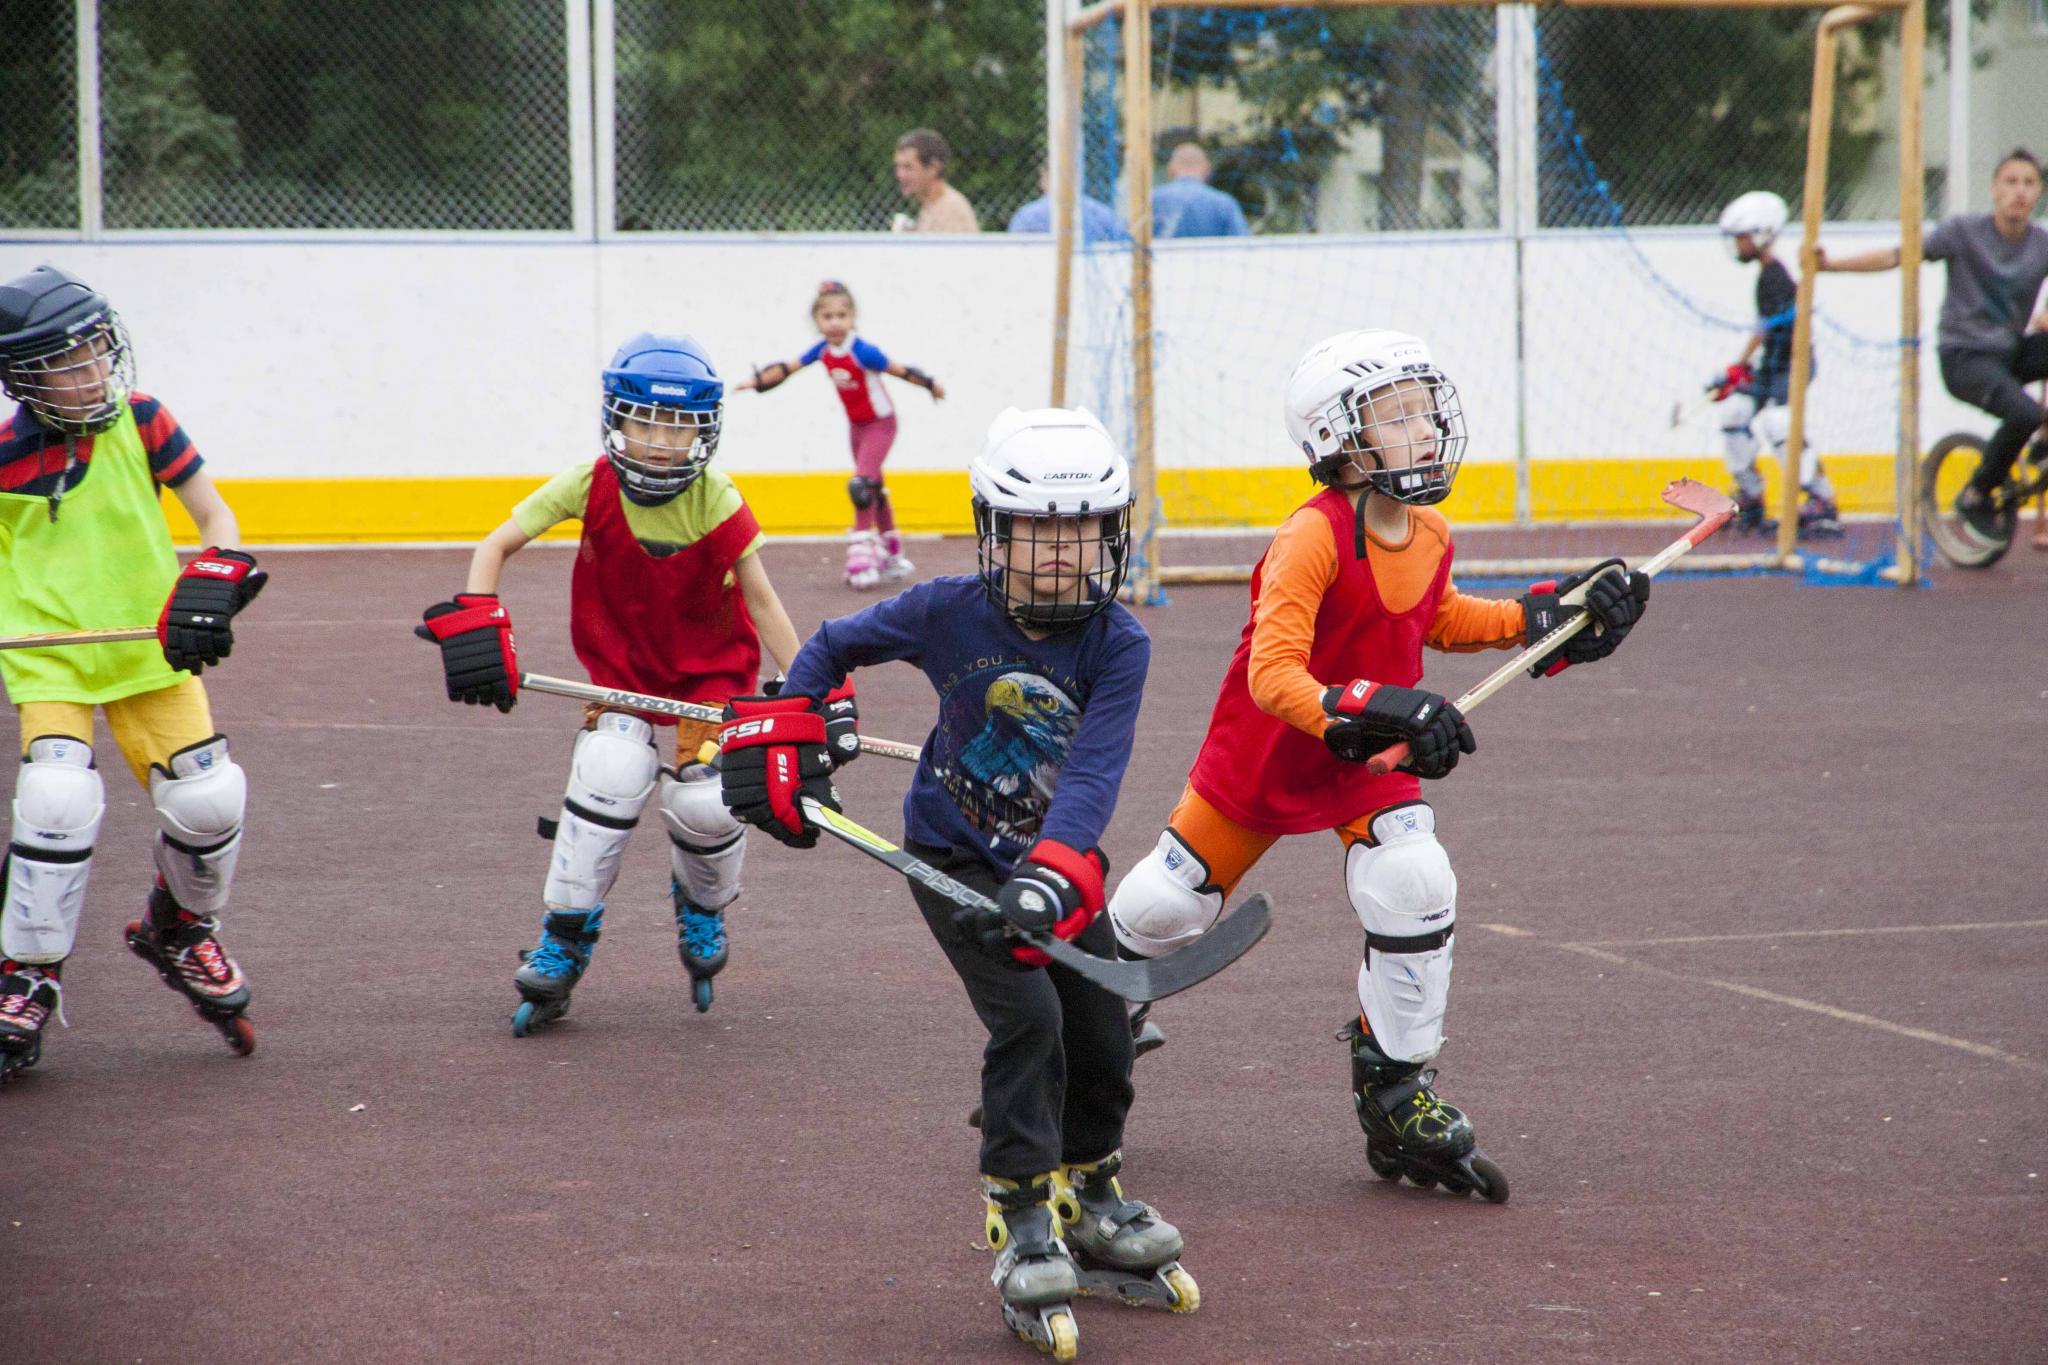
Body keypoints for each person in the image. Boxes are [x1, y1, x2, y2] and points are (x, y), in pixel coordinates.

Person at [1103, 330, 1650, 1204]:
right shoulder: (1309, 538)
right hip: (1274, 752)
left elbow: (1435, 619)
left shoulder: (1430, 529)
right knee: (1157, 909)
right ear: (1338, 441)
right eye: (1396, 417)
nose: (1425, 429)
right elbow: (1273, 673)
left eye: (1424, 410)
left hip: (1373, 756)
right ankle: (1083, 1039)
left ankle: (1396, 1092)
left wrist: (1548, 617)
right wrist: (1379, 704)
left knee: (1416, 879)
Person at [719, 408, 1196, 1360]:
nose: (1061, 554)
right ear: (995, 528)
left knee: (1104, 1027)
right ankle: (1021, 1215)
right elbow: (827, 644)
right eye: (1038, 530)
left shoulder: (1120, 643)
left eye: (1083, 531)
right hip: (952, 854)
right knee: (1031, 1021)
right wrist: (799, 721)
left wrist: (1053, 879)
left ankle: (1092, 1192)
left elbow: (1094, 777)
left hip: (1057, 865)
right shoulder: (944, 609)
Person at [418, 333, 821, 1028]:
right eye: (646, 422)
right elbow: (496, 544)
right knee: (606, 771)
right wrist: (481, 616)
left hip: (709, 681)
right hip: (623, 673)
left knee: (709, 804)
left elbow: (762, 600)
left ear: (706, 433)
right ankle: (565, 936)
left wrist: (807, 694)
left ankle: (701, 903)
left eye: (679, 427)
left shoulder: (718, 499)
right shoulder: (588, 483)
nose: (662, 442)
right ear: (617, 421)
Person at [0, 265, 268, 1076]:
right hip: (50, 657)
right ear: (24, 376)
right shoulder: (6, 455)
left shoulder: (143, 421)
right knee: (56, 797)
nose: (94, 374)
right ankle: (28, 975)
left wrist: (211, 585)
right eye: (69, 364)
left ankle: (179, 925)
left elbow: (216, 517)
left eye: (97, 353)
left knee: (210, 798)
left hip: (153, 650)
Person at [1819, 148, 2048, 548]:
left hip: (2010, 351)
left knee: (2031, 409)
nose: (2020, 192)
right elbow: (1899, 255)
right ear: (1994, 188)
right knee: (2025, 412)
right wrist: (1832, 265)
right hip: (1965, 358)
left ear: (2039, 191)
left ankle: (2042, 442)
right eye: (2011, 182)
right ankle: (1975, 495)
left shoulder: (2041, 243)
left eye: (2029, 183)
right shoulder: (1963, 232)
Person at [735, 281, 943, 589]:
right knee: (874, 486)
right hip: (856, 428)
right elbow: (786, 368)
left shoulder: (863, 351)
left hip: (880, 425)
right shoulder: (822, 351)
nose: (835, 323)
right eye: (827, 316)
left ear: (852, 317)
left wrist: (929, 384)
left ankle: (861, 552)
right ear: (817, 321)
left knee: (861, 486)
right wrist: (756, 382)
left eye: (841, 315)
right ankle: (891, 551)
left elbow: (901, 370)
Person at [1710, 190, 1841, 537]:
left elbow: (1781, 324)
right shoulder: (1766, 275)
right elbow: (1766, 326)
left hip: (1791, 364)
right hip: (1772, 365)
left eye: (1742, 237)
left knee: (1777, 423)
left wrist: (1745, 366)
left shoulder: (1776, 276)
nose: (1738, 244)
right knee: (1734, 414)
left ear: (1761, 235)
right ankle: (1751, 497)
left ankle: (1821, 498)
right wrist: (1737, 369)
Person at [1151, 142, 1249, 240]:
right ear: (1207, 170)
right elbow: (1241, 247)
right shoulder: (1224, 204)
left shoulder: (1151, 199)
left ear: (1170, 169)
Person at [1007, 164, 1126, 244]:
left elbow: (1016, 249)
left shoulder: (1027, 215)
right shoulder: (1103, 213)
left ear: (1045, 179)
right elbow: (1122, 242)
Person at [892, 129, 980, 234]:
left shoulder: (950, 211)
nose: (899, 174)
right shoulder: (931, 205)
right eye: (898, 166)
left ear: (933, 168)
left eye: (908, 167)